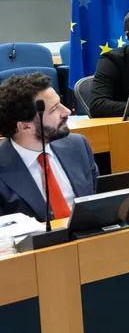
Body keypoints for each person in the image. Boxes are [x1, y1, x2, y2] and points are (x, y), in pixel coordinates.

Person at [0, 72, 98, 222]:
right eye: (54, 109)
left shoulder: (78, 146)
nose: (66, 111)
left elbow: (99, 202)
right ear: (25, 126)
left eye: (60, 103)